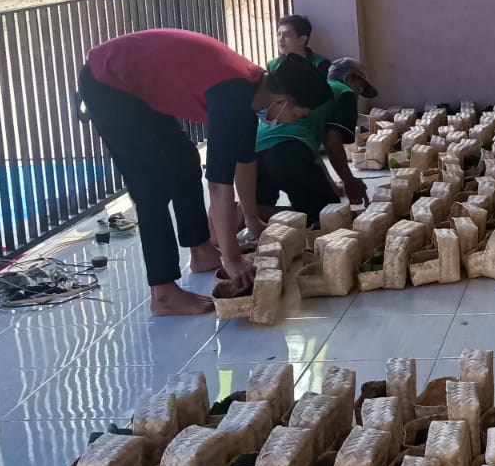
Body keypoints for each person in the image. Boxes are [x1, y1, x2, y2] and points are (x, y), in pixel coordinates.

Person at [79, 29, 333, 315]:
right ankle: (162, 293)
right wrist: (232, 258)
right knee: (152, 187)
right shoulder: (232, 97)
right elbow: (218, 186)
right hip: (109, 81)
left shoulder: (251, 92)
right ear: (283, 99)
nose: (293, 121)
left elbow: (244, 165)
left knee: (185, 160)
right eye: (298, 114)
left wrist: (253, 221)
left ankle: (201, 251)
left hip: (138, 83)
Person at [254, 57, 380, 221]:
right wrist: (349, 181)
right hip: (289, 149)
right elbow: (332, 143)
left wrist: (330, 185)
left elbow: (314, 154)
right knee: (328, 215)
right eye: (360, 87)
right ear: (350, 78)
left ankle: (248, 215)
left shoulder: (306, 92)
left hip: (256, 151)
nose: (359, 94)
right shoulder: (345, 93)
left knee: (260, 206)